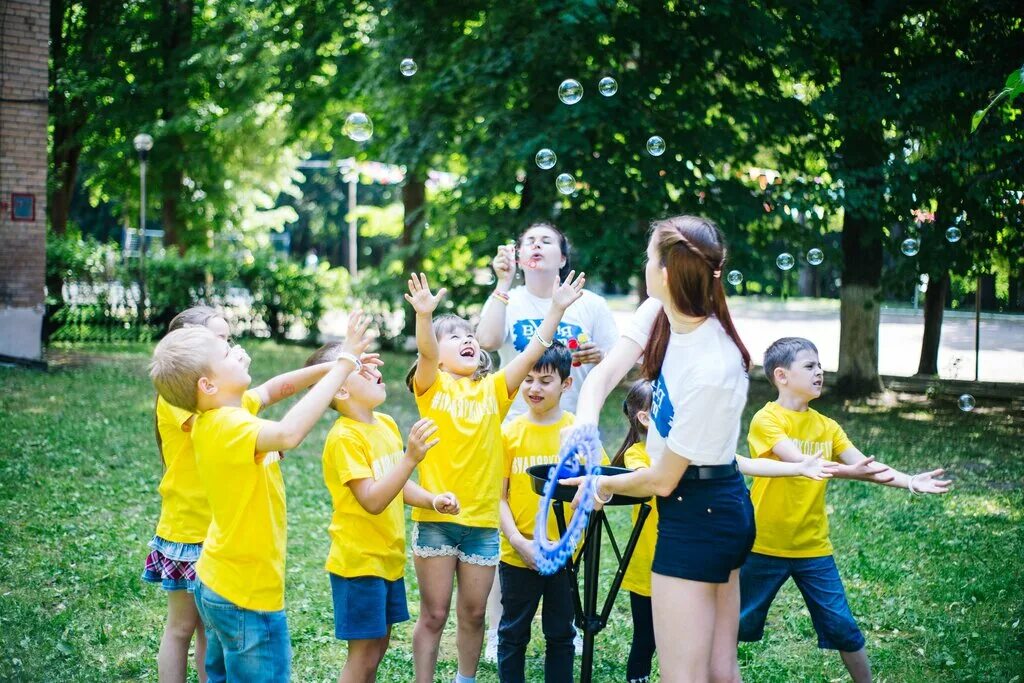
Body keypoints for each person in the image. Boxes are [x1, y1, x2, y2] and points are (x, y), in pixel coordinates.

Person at [564, 215, 832, 682]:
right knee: (717, 671)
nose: (643, 264)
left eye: (649, 257)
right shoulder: (659, 312)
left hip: (700, 515)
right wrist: (586, 430)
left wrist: (600, 482)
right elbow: (604, 376)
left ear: (666, 272)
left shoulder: (714, 364)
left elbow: (662, 479)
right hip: (706, 508)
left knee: (685, 676)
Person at [149, 312, 377, 682]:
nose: (238, 354)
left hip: (220, 581)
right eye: (226, 354)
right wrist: (344, 365)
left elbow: (275, 390)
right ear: (207, 385)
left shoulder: (222, 414)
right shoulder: (228, 424)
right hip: (247, 593)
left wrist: (332, 366)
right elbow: (288, 434)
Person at [403, 271, 584, 683]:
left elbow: (532, 350)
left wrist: (555, 309)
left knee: (474, 613)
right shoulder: (430, 387)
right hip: (436, 522)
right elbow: (428, 353)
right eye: (455, 337)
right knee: (433, 614)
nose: (467, 339)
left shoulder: (495, 391)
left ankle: (465, 679)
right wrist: (425, 318)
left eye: (470, 335)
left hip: (483, 523)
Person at [738, 337, 951, 683]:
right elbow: (803, 463)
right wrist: (853, 472)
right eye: (809, 366)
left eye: (820, 365)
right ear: (781, 375)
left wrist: (910, 481)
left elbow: (865, 464)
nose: (819, 372)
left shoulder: (828, 426)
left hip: (812, 547)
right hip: (762, 544)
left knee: (842, 625)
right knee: (734, 623)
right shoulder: (767, 419)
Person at [476, 222, 618, 658]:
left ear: (562, 257)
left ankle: (566, 625)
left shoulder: (589, 304)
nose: (536, 247)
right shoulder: (510, 299)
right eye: (528, 242)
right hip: (513, 429)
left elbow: (618, 362)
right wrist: (501, 284)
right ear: (518, 257)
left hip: (566, 432)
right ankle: (503, 629)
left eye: (547, 242)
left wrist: (600, 357)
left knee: (563, 522)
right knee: (510, 531)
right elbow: (485, 342)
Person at [304, 342, 460, 683]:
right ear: (341, 387)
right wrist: (411, 458)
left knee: (379, 648)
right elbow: (373, 500)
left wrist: (433, 500)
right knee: (363, 656)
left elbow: (396, 485)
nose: (377, 370)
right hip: (358, 564)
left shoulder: (385, 424)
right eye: (363, 369)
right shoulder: (344, 438)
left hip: (387, 559)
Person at [142, 306, 230, 683]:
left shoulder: (216, 394)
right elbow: (218, 423)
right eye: (220, 340)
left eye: (229, 338)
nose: (229, 347)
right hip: (188, 530)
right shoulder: (178, 396)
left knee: (211, 631)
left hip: (218, 528)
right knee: (181, 627)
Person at [498, 343, 588, 683]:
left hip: (564, 556)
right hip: (518, 554)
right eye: (529, 379)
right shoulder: (509, 433)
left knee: (561, 635)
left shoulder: (578, 433)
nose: (534, 388)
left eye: (545, 381)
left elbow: (595, 489)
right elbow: (498, 497)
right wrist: (520, 542)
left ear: (566, 384)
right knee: (512, 633)